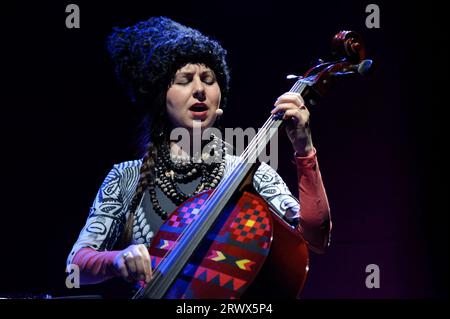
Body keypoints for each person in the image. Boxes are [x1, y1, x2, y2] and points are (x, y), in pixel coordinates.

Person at [67, 16, 331, 296]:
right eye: (184, 80)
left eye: (208, 80)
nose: (200, 90)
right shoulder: (126, 177)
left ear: (220, 100)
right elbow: (75, 267)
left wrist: (304, 149)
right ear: (160, 97)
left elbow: (315, 238)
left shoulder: (248, 172)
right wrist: (116, 260)